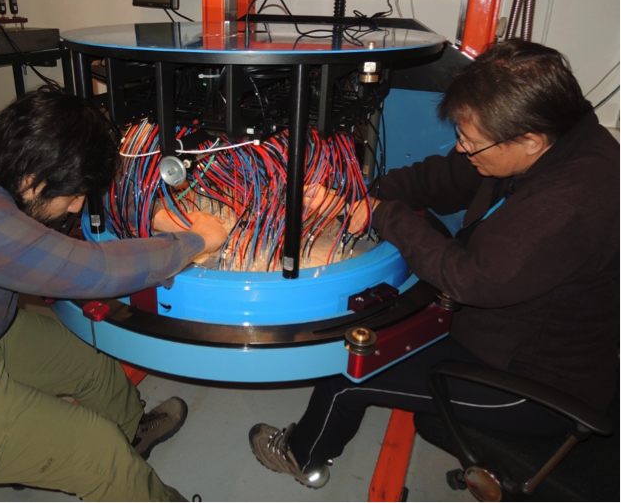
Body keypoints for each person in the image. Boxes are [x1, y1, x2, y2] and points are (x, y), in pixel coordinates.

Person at [248, 39, 620, 488]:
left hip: (534, 384)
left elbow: (472, 279)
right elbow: (444, 179)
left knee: (348, 374)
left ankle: (302, 455)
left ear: (529, 141)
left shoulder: (574, 199)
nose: (463, 150)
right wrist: (362, 195)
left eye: (472, 142)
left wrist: (383, 215)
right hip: (501, 333)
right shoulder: (548, 132)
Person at [0, 85, 227, 502]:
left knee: (92, 365)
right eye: (72, 196)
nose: (75, 208)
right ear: (34, 182)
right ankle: (119, 466)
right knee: (96, 453)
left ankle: (132, 437)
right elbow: (92, 271)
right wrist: (194, 241)